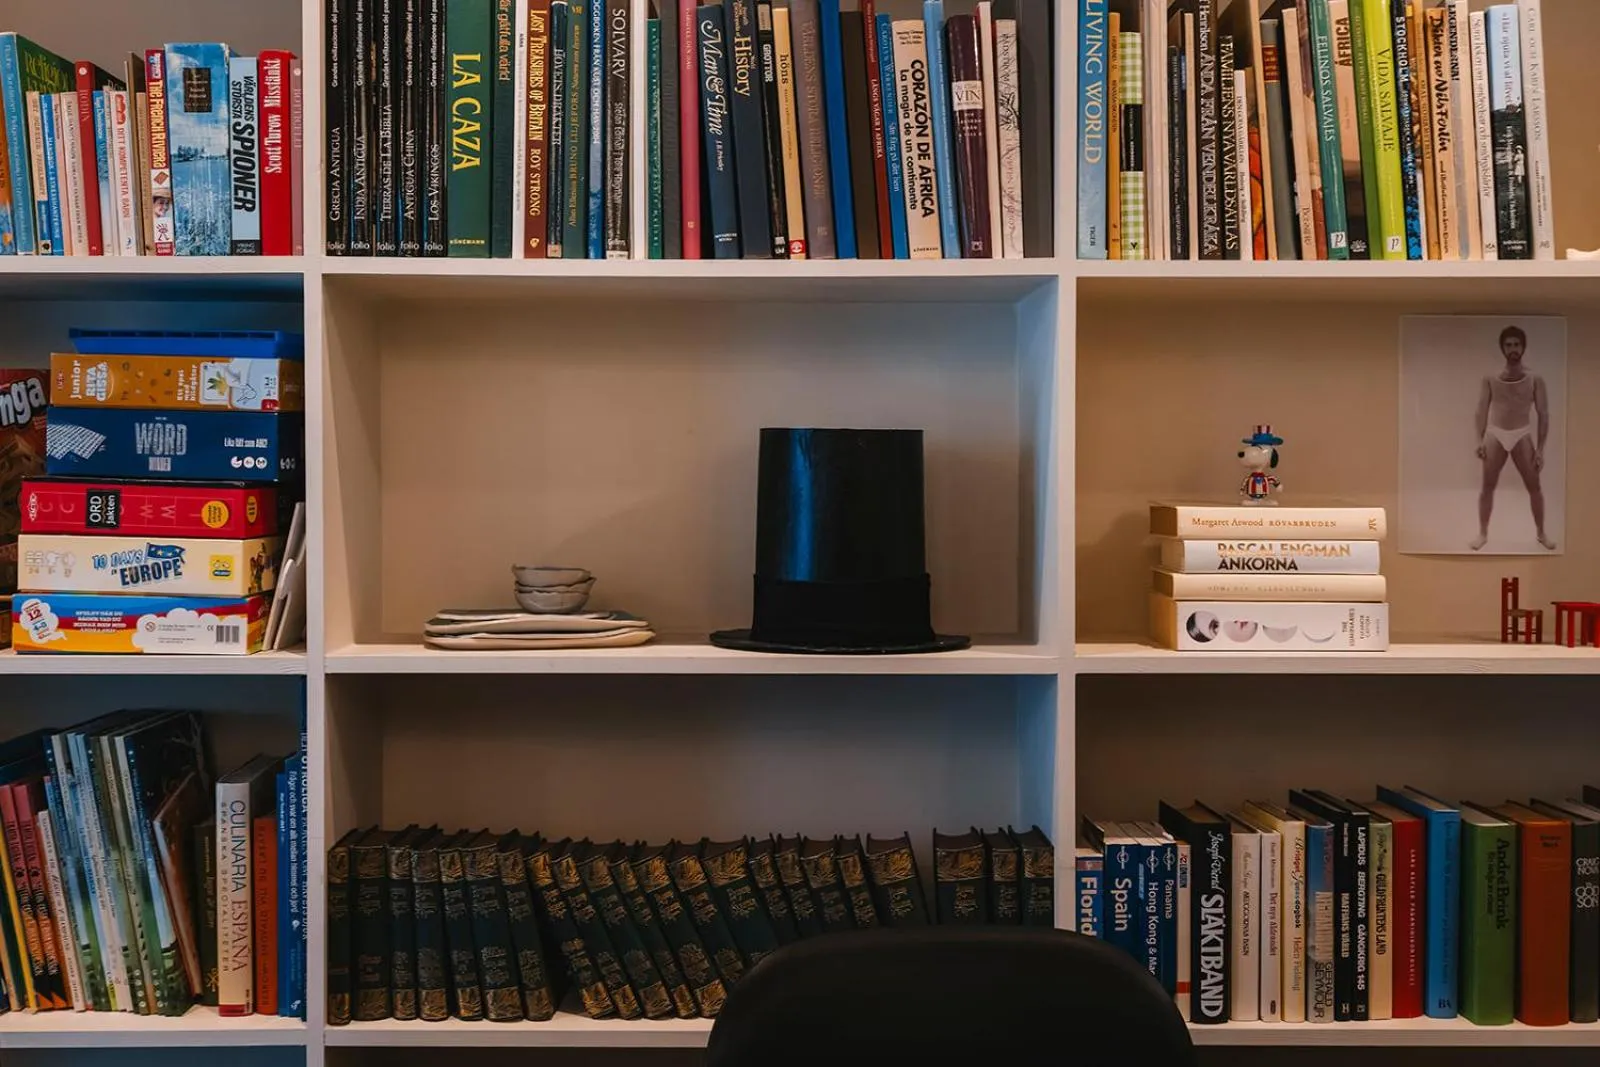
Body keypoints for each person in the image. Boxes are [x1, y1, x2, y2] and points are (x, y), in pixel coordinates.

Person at [1472, 325, 1554, 551]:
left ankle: (1541, 533)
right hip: (1496, 433)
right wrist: (1479, 440)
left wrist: (1540, 449)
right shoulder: (1490, 377)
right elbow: (1481, 410)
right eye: (1508, 345)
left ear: (1523, 347)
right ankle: (1482, 534)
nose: (1513, 349)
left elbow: (1543, 414)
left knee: (1534, 486)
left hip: (1521, 433)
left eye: (1517, 344)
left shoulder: (1534, 378)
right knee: (1487, 486)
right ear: (1502, 348)